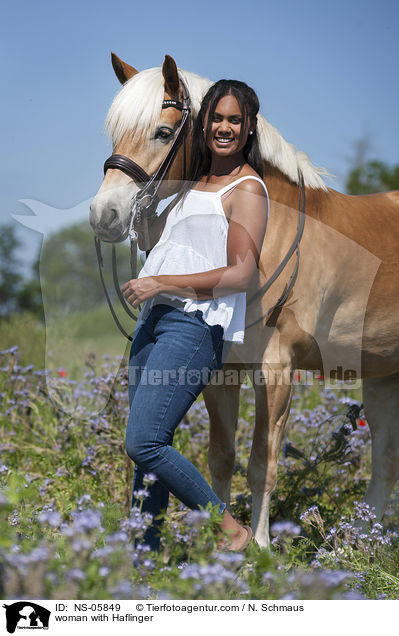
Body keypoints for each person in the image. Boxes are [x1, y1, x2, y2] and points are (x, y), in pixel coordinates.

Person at [122, 79, 269, 552]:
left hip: (194, 326)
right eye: (216, 118)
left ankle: (232, 530)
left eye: (234, 120)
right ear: (202, 122)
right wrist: (143, 208)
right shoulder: (193, 184)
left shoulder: (248, 189)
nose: (224, 128)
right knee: (149, 455)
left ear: (248, 129)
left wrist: (159, 283)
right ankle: (143, 561)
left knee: (144, 441)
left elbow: (240, 274)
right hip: (153, 324)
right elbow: (153, 243)